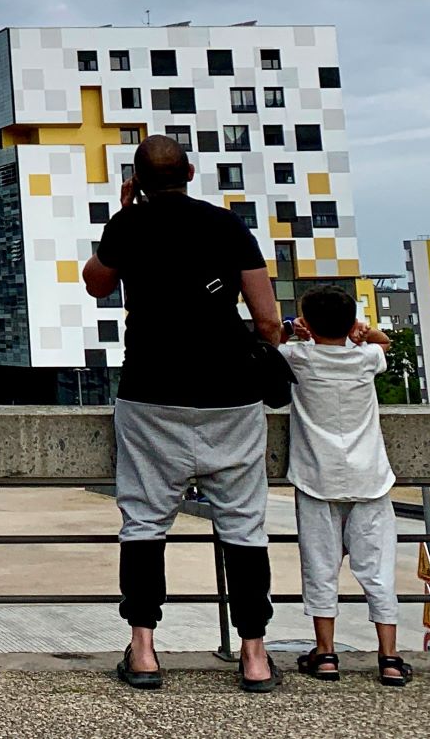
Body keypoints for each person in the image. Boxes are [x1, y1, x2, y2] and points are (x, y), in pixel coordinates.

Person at [83, 134, 282, 693]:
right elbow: (266, 318)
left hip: (151, 389)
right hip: (230, 394)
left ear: (138, 179)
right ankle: (255, 655)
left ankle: (144, 651)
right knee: (243, 525)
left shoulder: (129, 225)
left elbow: (97, 282)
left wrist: (123, 217)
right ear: (190, 172)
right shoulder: (227, 225)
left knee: (144, 522)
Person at [282, 285, 410, 687]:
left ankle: (326, 655)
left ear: (308, 323)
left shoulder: (297, 358)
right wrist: (362, 331)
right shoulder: (366, 359)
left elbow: (273, 346)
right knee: (378, 571)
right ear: (350, 320)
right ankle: (388, 657)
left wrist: (292, 332)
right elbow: (384, 343)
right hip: (369, 478)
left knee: (320, 568)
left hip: (316, 478)